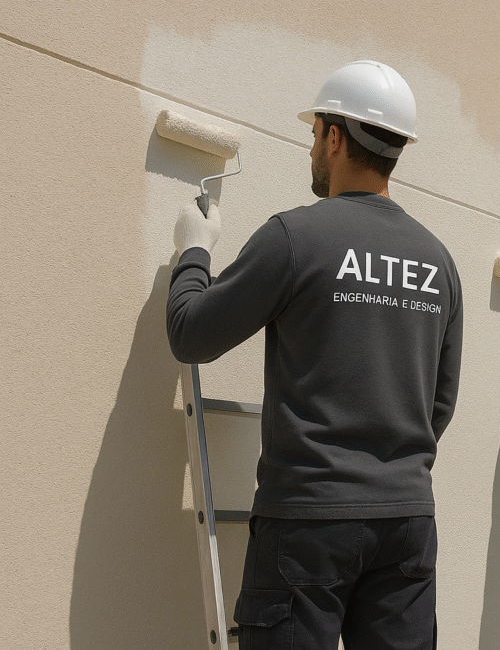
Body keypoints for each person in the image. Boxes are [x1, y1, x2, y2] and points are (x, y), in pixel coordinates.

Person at [167, 60, 463, 650]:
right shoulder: (438, 262)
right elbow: (441, 403)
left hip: (309, 523)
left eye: (312, 136)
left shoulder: (296, 237)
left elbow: (191, 334)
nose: (310, 151)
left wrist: (193, 252)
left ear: (335, 136)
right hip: (405, 523)